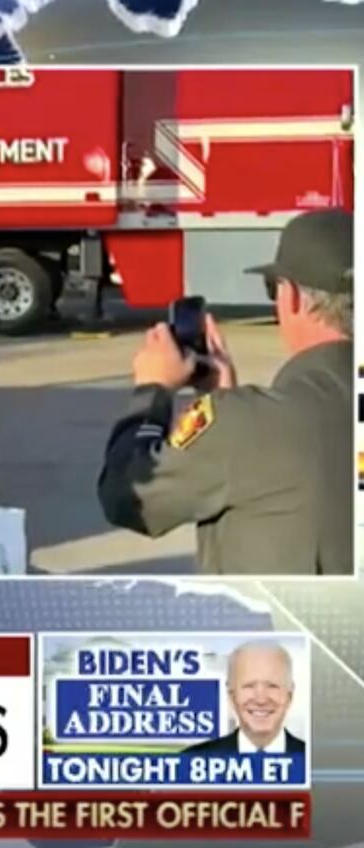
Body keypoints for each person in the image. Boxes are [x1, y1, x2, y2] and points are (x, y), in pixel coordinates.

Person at [97, 208, 352, 575]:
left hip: (275, 614)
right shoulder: (253, 422)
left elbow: (128, 497)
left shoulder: (251, 425)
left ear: (293, 297)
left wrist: (152, 390)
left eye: (273, 289)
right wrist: (224, 403)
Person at [184, 642, 305, 756]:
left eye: (272, 686)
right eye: (249, 686)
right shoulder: (190, 760)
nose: (261, 700)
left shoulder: (313, 759)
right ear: (231, 695)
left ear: (289, 695)